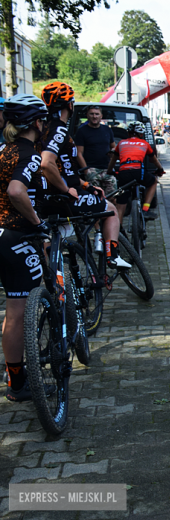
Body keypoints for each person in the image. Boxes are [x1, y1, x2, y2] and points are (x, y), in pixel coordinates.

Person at [38, 82, 128, 269]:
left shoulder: (42, 130)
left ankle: (55, 278)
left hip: (48, 196)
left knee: (56, 239)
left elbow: (63, 169)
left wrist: (86, 185)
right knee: (110, 210)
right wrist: (67, 189)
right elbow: (46, 163)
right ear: (70, 105)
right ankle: (112, 256)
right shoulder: (60, 130)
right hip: (65, 197)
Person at [0, 94, 51, 401]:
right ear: (36, 122)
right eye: (42, 121)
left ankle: (14, 375)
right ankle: (17, 384)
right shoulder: (29, 151)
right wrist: (35, 221)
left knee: (11, 310)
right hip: (15, 237)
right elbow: (16, 190)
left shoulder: (5, 150)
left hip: (1, 233)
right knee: (17, 312)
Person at [106, 121, 165, 222]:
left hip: (123, 174)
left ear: (128, 133)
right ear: (141, 134)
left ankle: (118, 231)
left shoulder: (121, 143)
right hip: (138, 173)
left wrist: (110, 171)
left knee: (121, 205)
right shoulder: (144, 144)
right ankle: (145, 209)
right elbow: (154, 160)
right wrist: (160, 170)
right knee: (153, 182)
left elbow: (113, 160)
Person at [75, 105, 117, 193]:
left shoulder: (107, 130)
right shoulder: (82, 131)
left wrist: (112, 154)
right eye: (92, 114)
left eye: (97, 114)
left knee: (113, 196)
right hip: (91, 169)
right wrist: (86, 170)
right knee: (96, 196)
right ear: (87, 115)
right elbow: (79, 153)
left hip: (107, 169)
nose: (94, 116)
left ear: (101, 116)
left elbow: (113, 147)